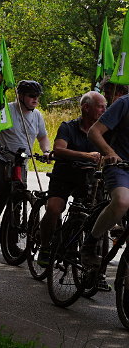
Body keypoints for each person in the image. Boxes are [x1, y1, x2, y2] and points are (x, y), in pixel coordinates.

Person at [37, 91, 106, 266]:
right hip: (64, 175)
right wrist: (87, 156)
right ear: (86, 107)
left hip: (89, 179)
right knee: (53, 208)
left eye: (105, 106)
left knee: (92, 215)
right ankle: (45, 247)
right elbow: (59, 150)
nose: (104, 110)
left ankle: (83, 255)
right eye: (100, 106)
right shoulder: (68, 127)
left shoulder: (104, 130)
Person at [0, 80, 51, 236]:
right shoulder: (7, 110)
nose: (35, 100)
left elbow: (42, 137)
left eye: (37, 96)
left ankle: (12, 241)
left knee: (18, 195)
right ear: (20, 96)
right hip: (0, 156)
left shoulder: (37, 115)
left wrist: (46, 151)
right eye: (32, 96)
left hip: (20, 161)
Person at [81, 89, 129, 267]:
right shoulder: (124, 103)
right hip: (120, 166)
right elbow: (94, 132)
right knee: (123, 201)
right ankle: (90, 244)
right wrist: (110, 153)